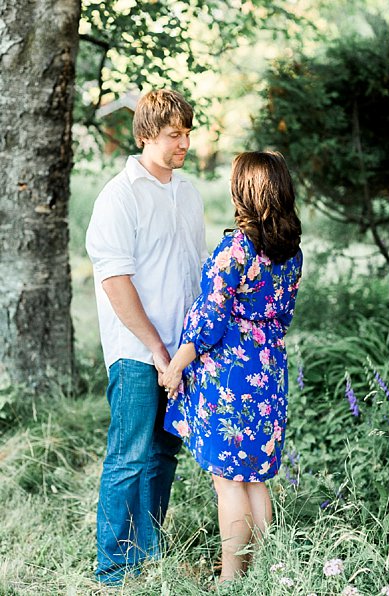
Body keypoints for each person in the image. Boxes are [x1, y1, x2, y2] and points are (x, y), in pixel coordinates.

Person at [160, 151, 302, 582]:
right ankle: (262, 572)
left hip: (230, 373)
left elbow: (209, 318)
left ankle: (231, 578)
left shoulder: (236, 248)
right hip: (269, 368)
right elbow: (284, 315)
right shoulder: (291, 252)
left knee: (228, 481)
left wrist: (176, 366)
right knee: (255, 479)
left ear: (248, 192)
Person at [85, 89, 207, 584]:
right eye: (174, 134)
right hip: (138, 352)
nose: (184, 143)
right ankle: (114, 567)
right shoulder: (120, 196)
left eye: (187, 132)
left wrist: (186, 351)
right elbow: (116, 282)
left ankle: (147, 552)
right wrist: (156, 349)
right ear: (145, 135)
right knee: (130, 454)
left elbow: (197, 273)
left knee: (163, 453)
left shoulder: (188, 191)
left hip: (180, 352)